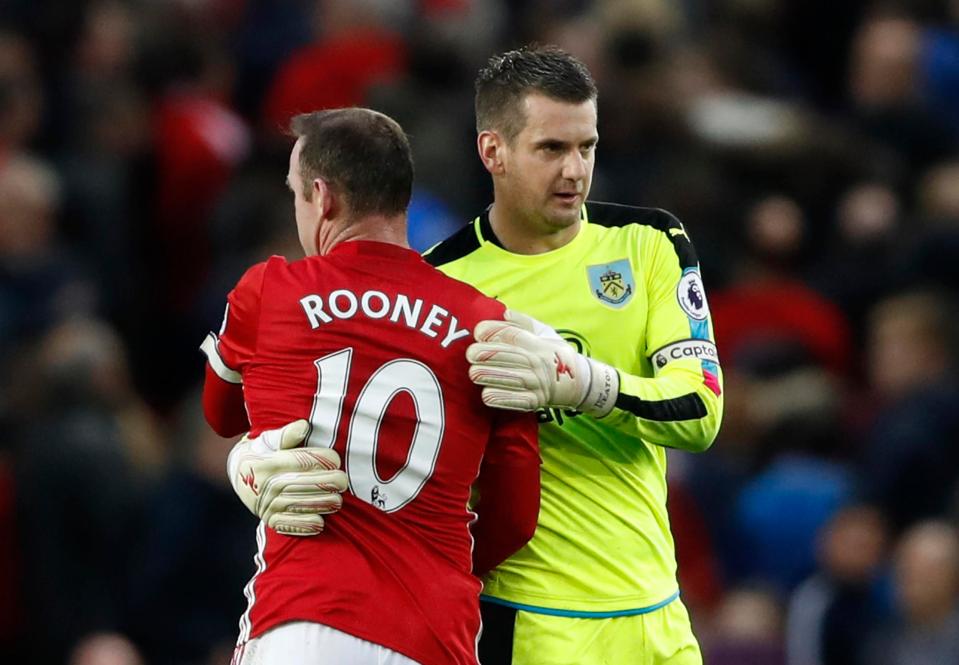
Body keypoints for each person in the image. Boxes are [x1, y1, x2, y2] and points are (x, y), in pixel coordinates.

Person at [199, 108, 540, 665]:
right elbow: (516, 518)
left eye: (295, 194)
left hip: (302, 620)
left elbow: (220, 414)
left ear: (321, 197)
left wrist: (247, 460)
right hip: (434, 634)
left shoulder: (268, 291)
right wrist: (425, 556)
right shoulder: (488, 325)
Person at [423, 45, 724, 664]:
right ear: (492, 152)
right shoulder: (439, 285)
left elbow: (701, 412)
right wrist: (258, 465)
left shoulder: (650, 244)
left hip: (658, 617)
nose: (575, 171)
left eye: (587, 146)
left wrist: (582, 384)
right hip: (530, 623)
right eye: (551, 149)